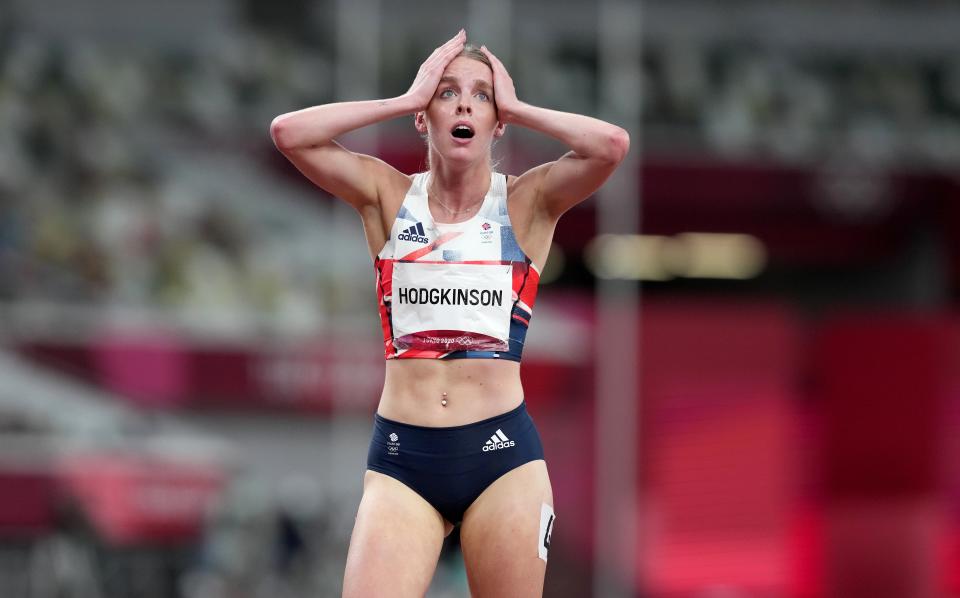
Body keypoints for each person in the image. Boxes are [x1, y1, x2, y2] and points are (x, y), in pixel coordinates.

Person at [270, 28, 629, 598]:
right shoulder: (388, 197)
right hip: (403, 460)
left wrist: (520, 107)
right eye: (447, 93)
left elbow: (610, 145)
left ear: (496, 122)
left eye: (481, 95)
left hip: (503, 460)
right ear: (425, 118)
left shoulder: (525, 203)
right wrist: (402, 99)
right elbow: (289, 133)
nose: (464, 103)